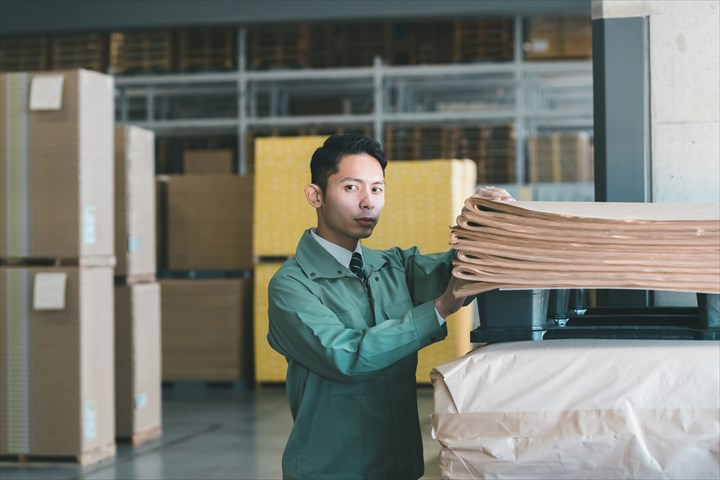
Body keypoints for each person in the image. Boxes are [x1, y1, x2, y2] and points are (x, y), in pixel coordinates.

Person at [267, 133, 514, 479]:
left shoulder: (392, 266)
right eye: (352, 188)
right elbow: (346, 356)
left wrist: (483, 223)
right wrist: (440, 308)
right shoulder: (292, 286)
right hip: (333, 469)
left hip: (398, 465)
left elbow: (455, 270)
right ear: (316, 195)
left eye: (377, 189)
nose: (368, 202)